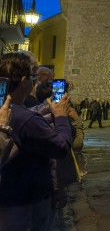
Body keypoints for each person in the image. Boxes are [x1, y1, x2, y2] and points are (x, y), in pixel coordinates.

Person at [0, 52, 73, 231]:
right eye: (33, 77)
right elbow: (61, 147)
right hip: (26, 204)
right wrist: (62, 117)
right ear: (24, 80)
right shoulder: (25, 118)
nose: (35, 82)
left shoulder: (9, 111)